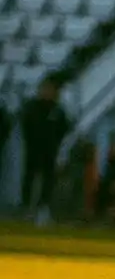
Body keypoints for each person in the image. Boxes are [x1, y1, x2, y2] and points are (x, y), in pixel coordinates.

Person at [20, 76, 72, 223]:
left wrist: (55, 144)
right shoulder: (32, 107)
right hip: (33, 149)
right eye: (45, 89)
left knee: (48, 180)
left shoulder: (58, 110)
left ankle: (43, 208)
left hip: (50, 151)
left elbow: (64, 129)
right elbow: (26, 126)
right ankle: (27, 208)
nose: (46, 92)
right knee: (29, 178)